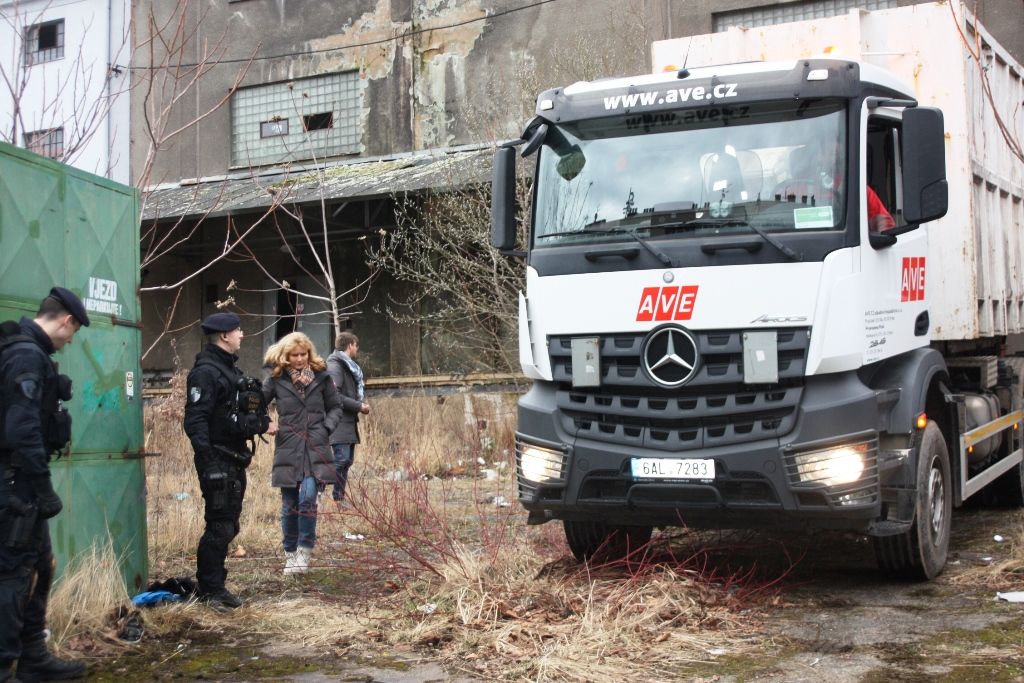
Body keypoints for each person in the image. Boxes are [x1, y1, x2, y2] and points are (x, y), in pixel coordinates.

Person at [0, 287, 89, 683]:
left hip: (20, 482)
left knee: (40, 565)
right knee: (14, 574)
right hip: (16, 485)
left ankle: (33, 656)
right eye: (73, 332)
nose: (70, 340)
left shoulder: (25, 352)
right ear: (66, 321)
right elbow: (22, 429)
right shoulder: (25, 356)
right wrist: (41, 488)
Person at [183, 312, 268, 610]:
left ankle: (215, 585)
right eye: (238, 331)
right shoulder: (206, 373)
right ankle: (210, 590)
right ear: (224, 336)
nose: (242, 335)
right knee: (219, 525)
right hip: (217, 459)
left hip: (233, 457)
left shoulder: (229, 370)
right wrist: (207, 464)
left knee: (229, 524)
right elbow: (195, 421)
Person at [262, 332, 340, 575]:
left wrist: (326, 428)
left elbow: (335, 407)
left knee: (307, 498)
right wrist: (266, 423)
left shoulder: (322, 377)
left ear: (309, 353)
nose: (299, 359)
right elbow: (256, 404)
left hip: (316, 446)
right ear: (286, 356)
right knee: (289, 504)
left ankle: (304, 552)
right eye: (294, 355)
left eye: (303, 354)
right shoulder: (275, 380)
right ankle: (290, 554)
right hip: (288, 446)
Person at [777, 138, 896, 233]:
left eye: (839, 154)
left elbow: (883, 221)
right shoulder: (788, 190)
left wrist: (879, 241)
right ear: (819, 157)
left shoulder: (855, 188)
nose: (835, 159)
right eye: (831, 154)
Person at [326, 332, 370, 504]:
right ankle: (318, 490)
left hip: (348, 421)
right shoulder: (335, 365)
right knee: (341, 459)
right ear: (350, 345)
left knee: (346, 461)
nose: (357, 349)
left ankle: (338, 498)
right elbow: (334, 395)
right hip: (338, 421)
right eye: (356, 346)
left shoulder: (346, 365)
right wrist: (358, 406)